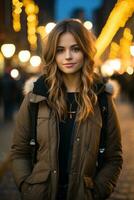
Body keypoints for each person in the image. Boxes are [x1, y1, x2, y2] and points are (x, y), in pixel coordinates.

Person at [10, 19, 123, 200]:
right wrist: (27, 187)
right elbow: (19, 152)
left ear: (85, 51)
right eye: (60, 50)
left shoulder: (101, 98)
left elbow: (113, 156)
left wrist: (98, 192)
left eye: (75, 49)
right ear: (52, 54)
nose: (68, 56)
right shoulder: (36, 96)